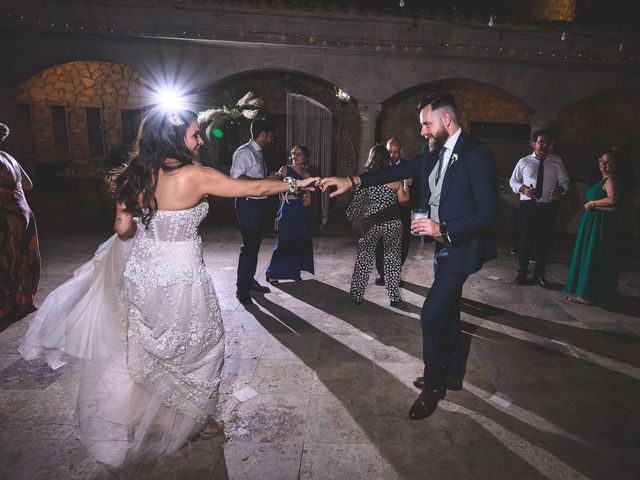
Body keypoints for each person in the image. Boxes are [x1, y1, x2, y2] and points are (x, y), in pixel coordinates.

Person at [18, 108, 319, 468]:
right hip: (182, 275)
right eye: (195, 134)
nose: (201, 139)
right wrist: (298, 182)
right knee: (201, 345)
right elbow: (252, 187)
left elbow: (122, 227)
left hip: (143, 273)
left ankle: (166, 416)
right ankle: (193, 419)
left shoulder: (134, 176)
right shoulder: (195, 176)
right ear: (176, 139)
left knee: (151, 346)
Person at [321, 91, 498, 420]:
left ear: (446, 119)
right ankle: (452, 372)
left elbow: (489, 212)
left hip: (459, 245)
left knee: (431, 314)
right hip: (442, 247)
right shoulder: (433, 152)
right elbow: (392, 172)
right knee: (448, 311)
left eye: (426, 124)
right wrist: (352, 180)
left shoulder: (477, 154)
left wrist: (442, 229)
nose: (422, 131)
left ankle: (433, 386)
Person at [347, 144, 408, 306]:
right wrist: (405, 185)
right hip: (393, 223)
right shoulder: (394, 177)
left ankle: (357, 295)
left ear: (371, 159)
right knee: (393, 259)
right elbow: (403, 201)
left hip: (372, 222)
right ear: (387, 159)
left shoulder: (366, 179)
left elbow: (357, 205)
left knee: (364, 259)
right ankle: (394, 297)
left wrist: (350, 215)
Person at [509, 130, 570, 288]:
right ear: (533, 144)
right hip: (528, 206)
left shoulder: (557, 161)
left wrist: (560, 190)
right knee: (525, 240)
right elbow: (513, 181)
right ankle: (522, 272)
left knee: (545, 242)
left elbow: (564, 180)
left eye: (547, 142)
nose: (544, 145)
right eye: (540, 142)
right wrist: (522, 188)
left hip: (548, 207)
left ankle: (539, 275)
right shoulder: (524, 161)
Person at [231, 118, 276, 305]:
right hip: (248, 204)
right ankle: (242, 289)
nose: (272, 139)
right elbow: (235, 177)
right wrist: (262, 182)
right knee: (249, 247)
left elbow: (256, 177)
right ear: (263, 134)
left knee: (254, 246)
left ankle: (250, 281)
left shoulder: (257, 152)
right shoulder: (245, 152)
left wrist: (267, 179)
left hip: (257, 204)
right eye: (271, 136)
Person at [565, 152, 620, 305]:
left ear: (614, 165)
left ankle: (587, 295)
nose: (603, 163)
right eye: (601, 160)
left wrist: (593, 203)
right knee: (590, 255)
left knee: (593, 256)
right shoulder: (603, 179)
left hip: (599, 224)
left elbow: (612, 199)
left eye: (608, 161)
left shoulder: (611, 179)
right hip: (593, 222)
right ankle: (588, 292)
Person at [0, 122, 40, 322]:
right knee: (24, 257)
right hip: (23, 212)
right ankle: (25, 300)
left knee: (7, 260)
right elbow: (28, 184)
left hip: (6, 215)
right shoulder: (9, 158)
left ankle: (7, 307)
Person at [266, 145, 314, 284]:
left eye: (298, 154)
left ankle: (294, 272)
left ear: (305, 158)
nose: (295, 156)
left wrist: (308, 195)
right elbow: (278, 185)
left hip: (301, 211)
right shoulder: (285, 169)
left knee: (299, 241)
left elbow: (308, 191)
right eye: (293, 153)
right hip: (288, 208)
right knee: (284, 242)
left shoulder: (307, 174)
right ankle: (272, 273)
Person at [374, 138, 412, 287]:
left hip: (402, 213)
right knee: (381, 245)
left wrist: (408, 185)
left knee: (402, 246)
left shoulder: (408, 167)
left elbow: (411, 192)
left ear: (400, 152)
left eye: (395, 152)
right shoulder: (379, 166)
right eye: (389, 151)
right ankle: (382, 274)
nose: (392, 155)